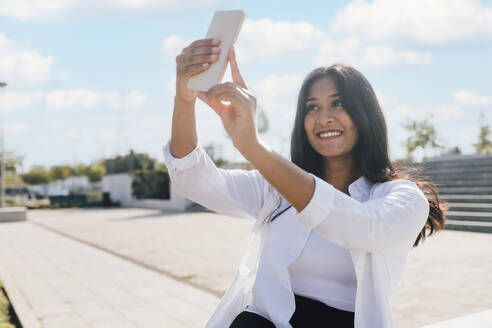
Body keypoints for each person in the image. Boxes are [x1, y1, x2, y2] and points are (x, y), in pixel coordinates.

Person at [162, 38, 447, 328]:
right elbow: (194, 181)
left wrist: (254, 148)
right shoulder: (275, 190)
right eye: (312, 107)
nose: (324, 118)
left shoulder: (402, 197)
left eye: (338, 104)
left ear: (365, 115)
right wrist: (183, 100)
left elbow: (363, 226)